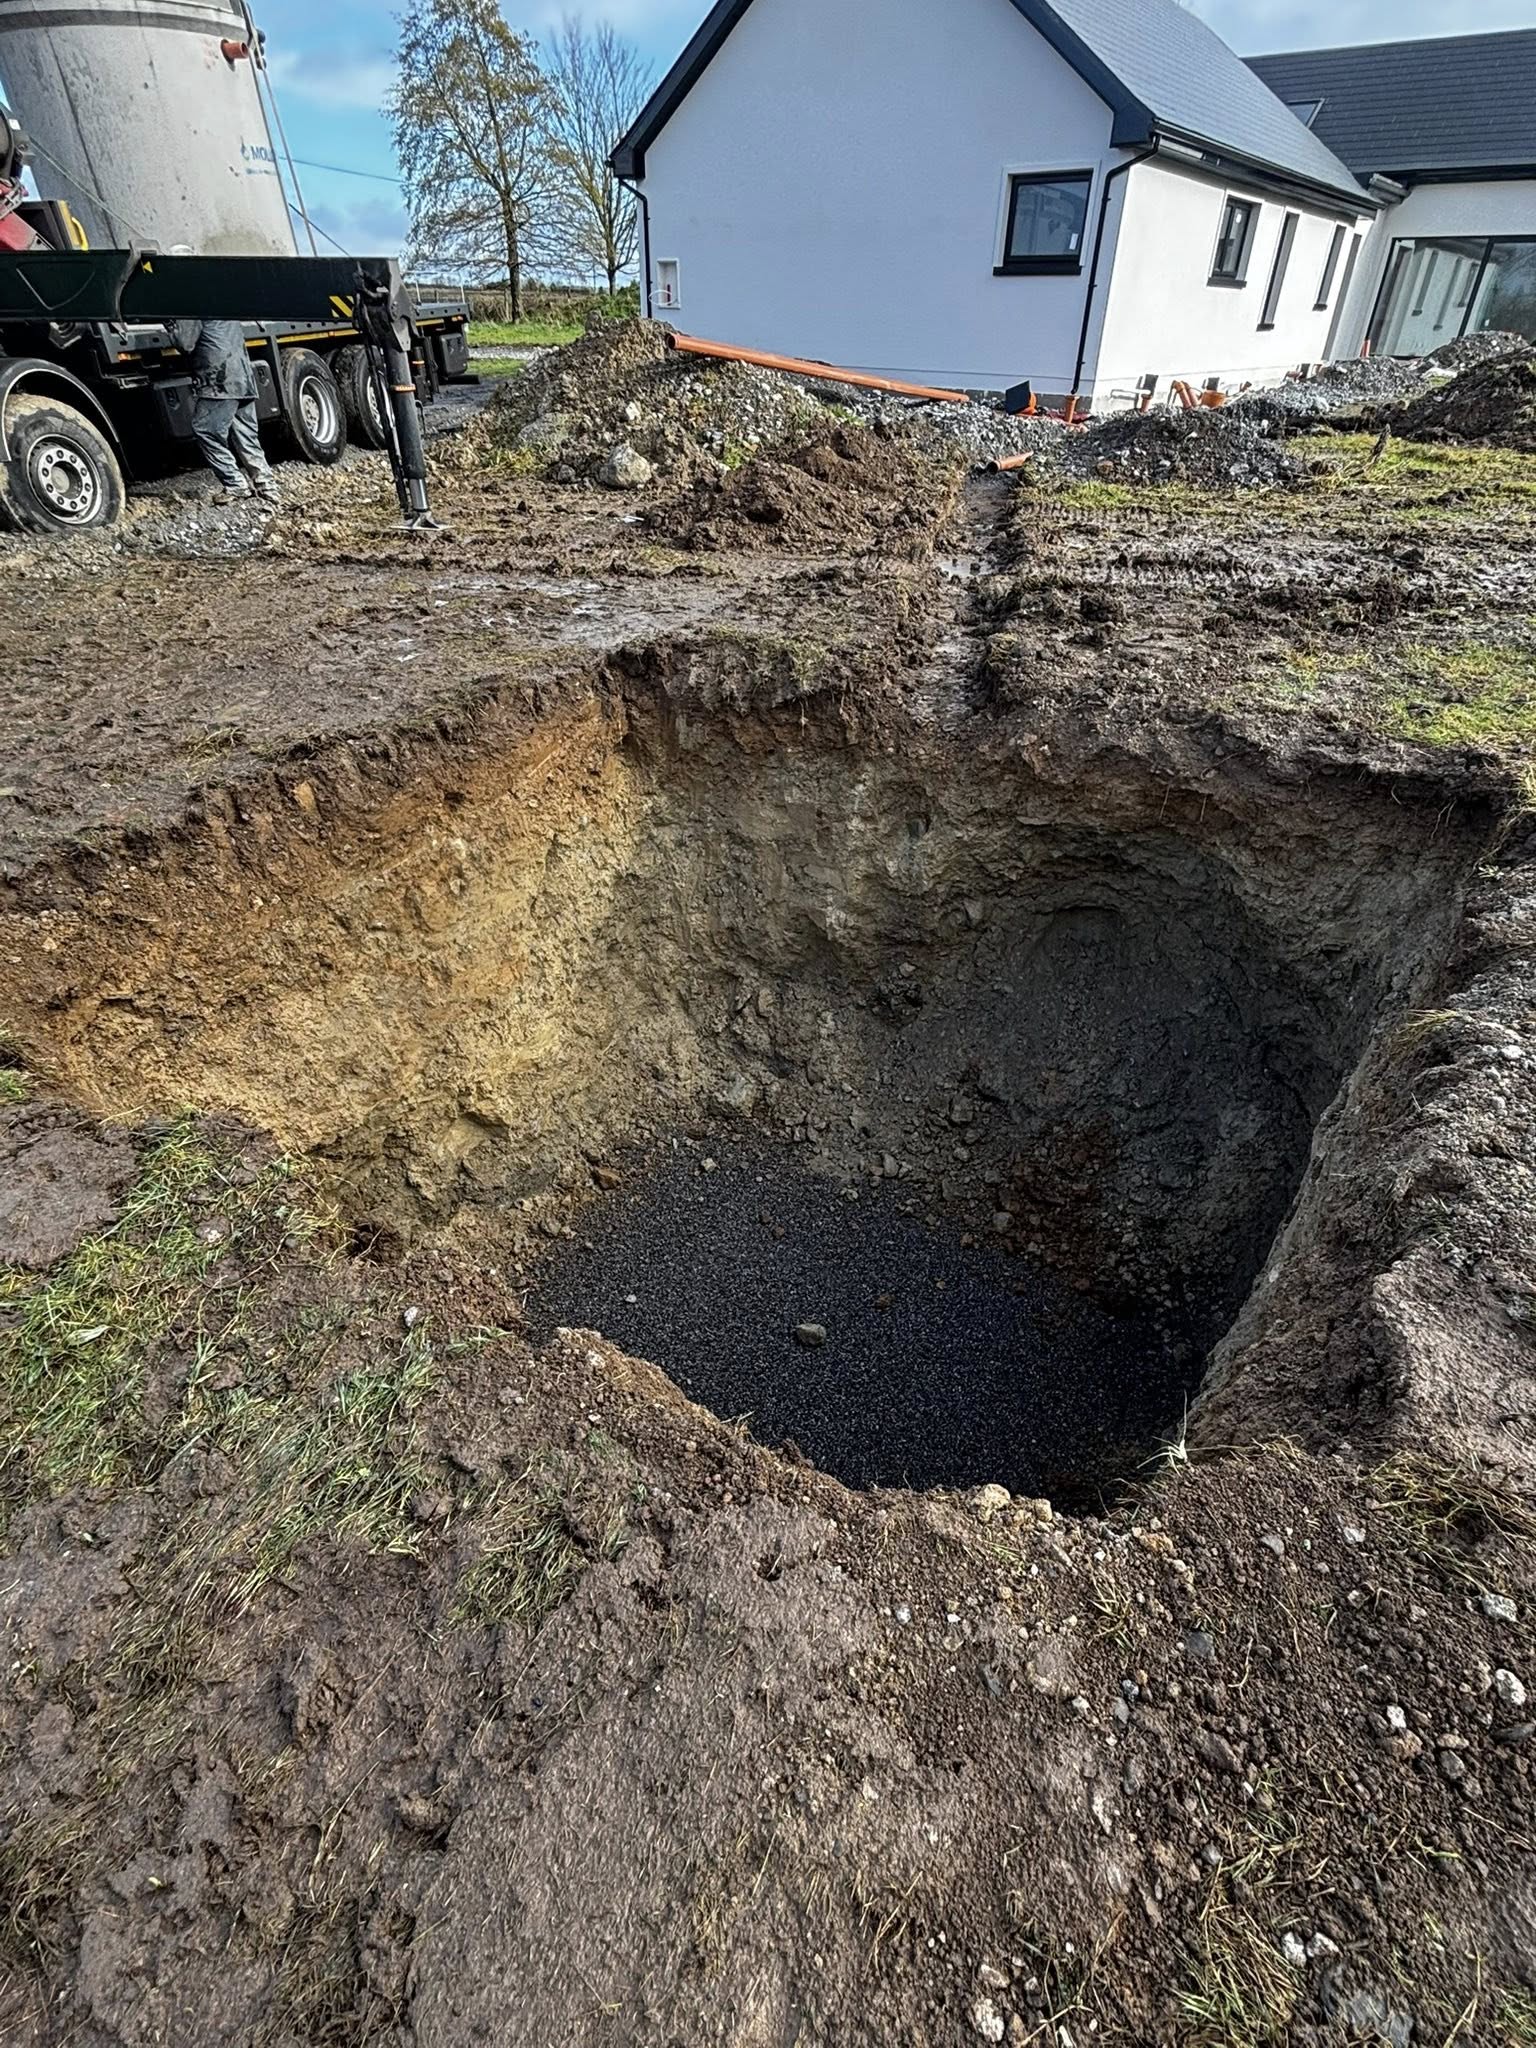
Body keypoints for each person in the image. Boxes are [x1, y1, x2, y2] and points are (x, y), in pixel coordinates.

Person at [171, 318, 280, 507]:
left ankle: (235, 484)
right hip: (242, 375)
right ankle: (267, 486)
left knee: (205, 430)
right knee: (246, 435)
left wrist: (171, 326)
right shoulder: (218, 301)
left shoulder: (188, 304)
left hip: (220, 378)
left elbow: (185, 344)